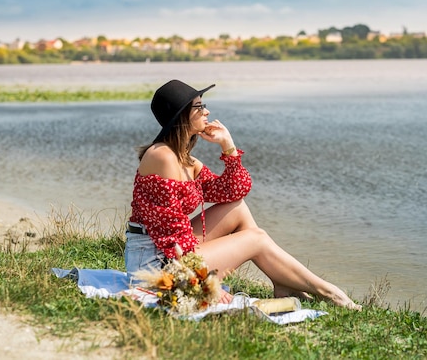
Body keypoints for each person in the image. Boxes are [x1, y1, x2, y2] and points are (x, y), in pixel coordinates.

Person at [125, 79, 361, 310]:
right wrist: (204, 282)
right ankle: (327, 292)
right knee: (255, 239)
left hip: (170, 248)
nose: (206, 111)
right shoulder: (162, 156)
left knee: (237, 207)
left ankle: (281, 280)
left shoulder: (187, 160)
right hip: (154, 261)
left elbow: (233, 191)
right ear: (181, 115)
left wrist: (228, 146)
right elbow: (169, 233)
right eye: (199, 107)